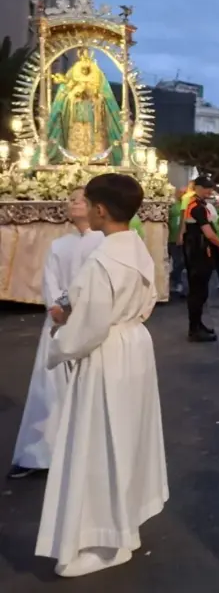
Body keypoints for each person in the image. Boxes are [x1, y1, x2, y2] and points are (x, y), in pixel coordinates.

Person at [36, 173, 168, 578]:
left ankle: (105, 538)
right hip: (134, 346)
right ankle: (124, 526)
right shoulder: (137, 248)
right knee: (126, 439)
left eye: (88, 201)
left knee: (99, 443)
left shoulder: (102, 259)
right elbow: (145, 300)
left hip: (107, 352)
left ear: (101, 209)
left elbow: (88, 327)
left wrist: (59, 334)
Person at [9, 188, 104, 480]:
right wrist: (57, 308)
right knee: (49, 390)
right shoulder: (60, 244)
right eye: (71, 199)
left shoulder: (104, 242)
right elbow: (50, 279)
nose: (73, 203)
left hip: (90, 323)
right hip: (59, 323)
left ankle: (90, 455)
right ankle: (40, 452)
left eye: (81, 199)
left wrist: (77, 310)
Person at [183, 175, 219, 342]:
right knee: (198, 292)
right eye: (207, 188)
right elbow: (208, 233)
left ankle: (197, 324)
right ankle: (194, 329)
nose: (210, 191)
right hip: (199, 252)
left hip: (198, 251)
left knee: (200, 292)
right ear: (198, 188)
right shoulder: (197, 207)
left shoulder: (197, 204)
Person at [168, 186, 187, 296]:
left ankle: (178, 281)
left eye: (184, 193)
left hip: (185, 239)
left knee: (181, 262)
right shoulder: (172, 207)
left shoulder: (186, 206)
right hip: (172, 238)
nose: (182, 194)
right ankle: (176, 282)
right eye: (180, 192)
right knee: (176, 261)